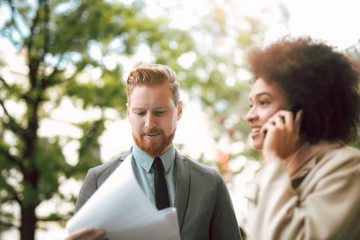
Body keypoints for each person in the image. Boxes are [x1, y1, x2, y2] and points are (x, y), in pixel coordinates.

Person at [66, 64, 241, 240]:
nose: (149, 124)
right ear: (128, 113)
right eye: (140, 113)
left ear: (178, 111)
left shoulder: (211, 183)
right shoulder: (98, 181)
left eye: (159, 112)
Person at [244, 36, 360, 239]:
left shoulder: (348, 168)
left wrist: (274, 161)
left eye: (263, 102)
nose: (250, 116)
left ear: (301, 110)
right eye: (250, 104)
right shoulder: (265, 176)